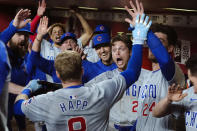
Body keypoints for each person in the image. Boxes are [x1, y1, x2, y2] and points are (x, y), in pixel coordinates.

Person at [14, 13, 151, 131]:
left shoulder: (47, 100)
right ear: (82, 71)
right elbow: (133, 73)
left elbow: (17, 108)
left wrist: (28, 89)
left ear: (59, 74)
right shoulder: (100, 92)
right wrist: (138, 38)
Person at [124, 0, 185, 130]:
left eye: (159, 41)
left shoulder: (174, 73)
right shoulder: (146, 76)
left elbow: (165, 61)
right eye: (151, 42)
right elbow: (143, 114)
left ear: (170, 48)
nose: (152, 45)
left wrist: (146, 31)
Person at [0, 8, 31, 131]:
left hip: (18, 100)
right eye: (19, 34)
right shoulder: (3, 52)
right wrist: (13, 27)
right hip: (4, 101)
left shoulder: (23, 54)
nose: (23, 39)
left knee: (22, 126)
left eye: (26, 35)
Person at [152, 54, 197, 131]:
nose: (195, 91)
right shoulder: (188, 94)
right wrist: (168, 100)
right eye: (193, 83)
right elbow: (155, 113)